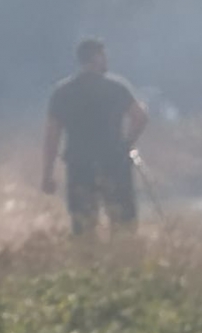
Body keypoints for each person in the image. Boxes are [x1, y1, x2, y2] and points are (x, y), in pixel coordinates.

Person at [41, 37, 150, 237]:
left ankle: (87, 254)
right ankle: (124, 254)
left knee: (83, 224)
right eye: (104, 56)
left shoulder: (62, 93)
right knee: (123, 223)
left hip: (79, 165)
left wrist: (47, 175)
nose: (106, 60)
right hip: (114, 163)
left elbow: (51, 136)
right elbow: (140, 117)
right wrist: (127, 143)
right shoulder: (116, 88)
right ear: (96, 58)